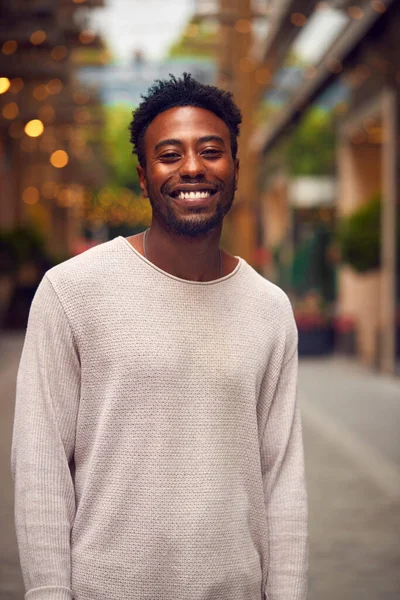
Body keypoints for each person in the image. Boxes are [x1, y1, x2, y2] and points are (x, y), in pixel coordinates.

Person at [11, 73, 308, 600]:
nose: (192, 167)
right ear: (145, 177)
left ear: (236, 169)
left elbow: (282, 478)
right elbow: (41, 465)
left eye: (211, 151)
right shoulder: (71, 291)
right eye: (169, 154)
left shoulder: (270, 308)